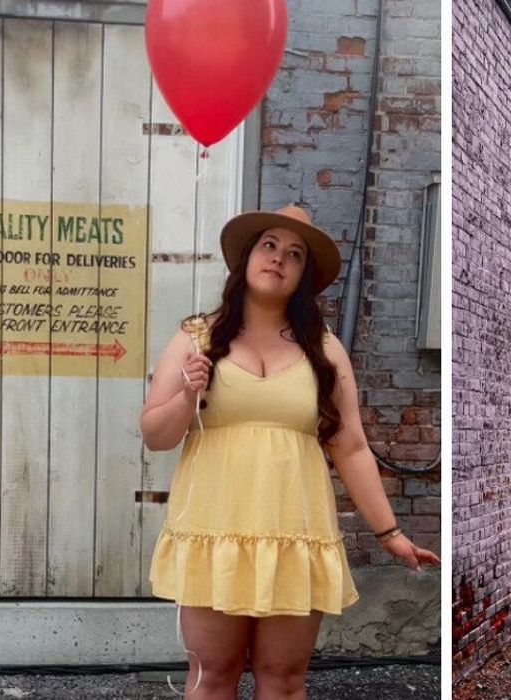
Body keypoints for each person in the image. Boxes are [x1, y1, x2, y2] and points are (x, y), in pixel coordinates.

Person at [140, 205, 440, 699]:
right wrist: (188, 395)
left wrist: (391, 534)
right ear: (248, 258)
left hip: (294, 538)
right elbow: (156, 434)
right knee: (213, 675)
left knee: (283, 681)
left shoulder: (323, 350)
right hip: (217, 536)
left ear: (303, 276)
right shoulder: (197, 337)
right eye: (270, 246)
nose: (279, 258)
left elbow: (353, 447)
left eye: (294, 254)